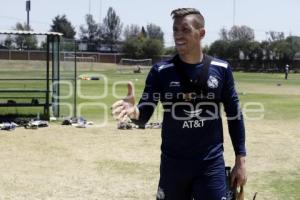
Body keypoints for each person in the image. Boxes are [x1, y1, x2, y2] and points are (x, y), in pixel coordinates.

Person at [112, 8, 247, 200]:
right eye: (175, 30)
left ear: (201, 34)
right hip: (173, 166)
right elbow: (143, 116)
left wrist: (240, 161)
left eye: (185, 30)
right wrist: (134, 112)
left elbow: (235, 116)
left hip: (210, 164)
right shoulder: (161, 71)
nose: (178, 35)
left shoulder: (222, 69)